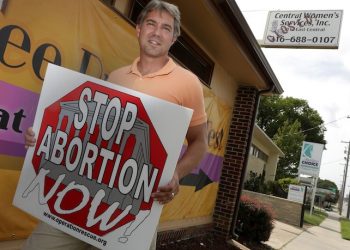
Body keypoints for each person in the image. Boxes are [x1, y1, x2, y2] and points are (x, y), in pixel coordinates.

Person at [23, 0, 207, 249]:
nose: (156, 32)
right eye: (151, 23)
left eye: (166, 28)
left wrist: (176, 173)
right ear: (138, 29)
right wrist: (45, 137)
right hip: (81, 191)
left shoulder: (188, 83)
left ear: (173, 38)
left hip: (133, 208)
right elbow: (90, 131)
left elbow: (200, 142)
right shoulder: (117, 75)